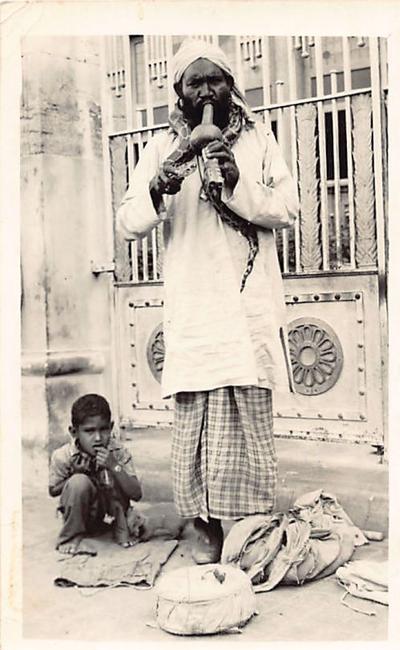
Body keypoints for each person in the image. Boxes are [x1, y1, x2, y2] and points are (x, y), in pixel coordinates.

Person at [117, 39, 299, 564]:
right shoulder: (157, 149)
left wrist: (239, 182)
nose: (205, 91)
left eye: (213, 80)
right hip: (196, 309)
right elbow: (128, 223)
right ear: (178, 91)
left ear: (231, 86)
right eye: (193, 82)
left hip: (245, 311)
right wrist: (159, 186)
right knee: (198, 424)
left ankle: (246, 526)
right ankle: (201, 525)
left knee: (245, 416)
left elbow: (286, 209)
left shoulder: (260, 139)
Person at [48, 393, 142, 554]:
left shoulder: (118, 451)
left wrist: (114, 466)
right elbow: (53, 490)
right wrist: (76, 475)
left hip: (113, 513)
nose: (98, 438)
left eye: (103, 429)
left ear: (111, 427)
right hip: (84, 513)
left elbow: (136, 494)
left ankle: (119, 529)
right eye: (89, 431)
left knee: (116, 477)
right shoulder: (63, 455)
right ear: (74, 432)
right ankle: (72, 536)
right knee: (79, 482)